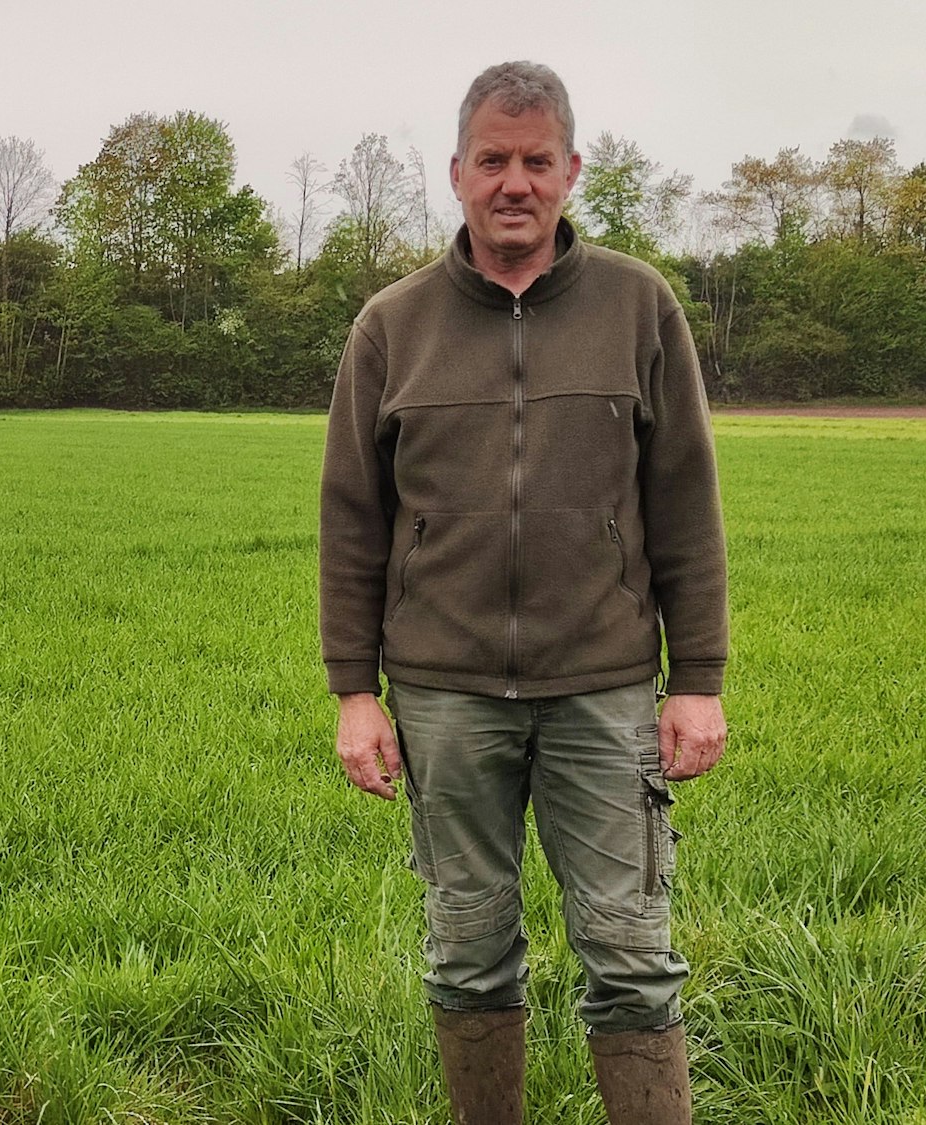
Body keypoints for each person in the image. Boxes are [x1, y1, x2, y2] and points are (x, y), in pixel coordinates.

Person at [318, 61, 729, 1124]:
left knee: (631, 956)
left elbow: (681, 496)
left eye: (534, 161)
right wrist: (351, 693)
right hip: (443, 696)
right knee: (466, 952)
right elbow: (351, 518)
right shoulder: (389, 326)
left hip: (600, 691)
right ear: (455, 173)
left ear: (569, 171)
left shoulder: (638, 307)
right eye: (491, 160)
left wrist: (697, 678)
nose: (513, 181)